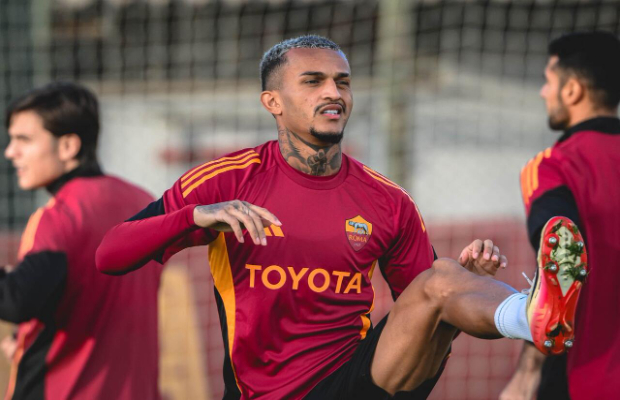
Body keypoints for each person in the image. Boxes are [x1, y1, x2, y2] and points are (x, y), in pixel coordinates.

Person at [96, 35, 584, 399]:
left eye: (342, 82)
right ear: (273, 102)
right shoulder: (227, 180)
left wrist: (464, 286)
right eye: (313, 81)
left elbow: (427, 322)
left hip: (357, 380)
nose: (334, 92)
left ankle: (532, 315)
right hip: (263, 392)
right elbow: (109, 254)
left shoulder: (388, 201)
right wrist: (197, 217)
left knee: (442, 278)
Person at [3, 82, 163, 399]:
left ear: (68, 146)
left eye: (23, 139)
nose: (10, 152)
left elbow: (18, 301)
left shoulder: (59, 215)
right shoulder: (144, 202)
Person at [500, 31, 620, 400]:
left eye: (548, 81)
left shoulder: (553, 167)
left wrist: (525, 377)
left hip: (585, 378)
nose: (543, 92)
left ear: (571, 91)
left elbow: (559, 271)